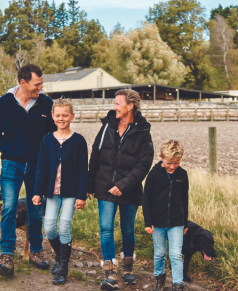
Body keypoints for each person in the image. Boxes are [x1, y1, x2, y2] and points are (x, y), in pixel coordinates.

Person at [0, 64, 57, 277]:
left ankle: (36, 251)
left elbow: (53, 137)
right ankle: (6, 255)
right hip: (11, 163)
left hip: (37, 165)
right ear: (23, 82)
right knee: (8, 207)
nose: (41, 87)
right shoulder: (4, 103)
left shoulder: (46, 104)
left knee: (35, 208)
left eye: (41, 83)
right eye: (37, 84)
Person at [87, 89, 153, 290]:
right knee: (106, 229)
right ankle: (109, 272)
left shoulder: (142, 131)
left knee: (127, 229)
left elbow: (144, 164)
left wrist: (123, 185)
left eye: (117, 104)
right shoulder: (107, 126)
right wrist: (90, 185)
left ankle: (128, 268)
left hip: (129, 190)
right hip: (104, 187)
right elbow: (96, 154)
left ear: (129, 106)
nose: (113, 107)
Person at [32, 98, 88, 285]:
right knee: (49, 227)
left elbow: (83, 169)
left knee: (64, 227)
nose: (61, 118)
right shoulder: (47, 140)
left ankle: (62, 267)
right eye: (58, 115)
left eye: (65, 115)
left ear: (72, 116)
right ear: (52, 116)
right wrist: (37, 192)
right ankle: (60, 256)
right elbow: (41, 168)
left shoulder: (79, 141)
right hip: (51, 193)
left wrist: (82, 195)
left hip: (71, 193)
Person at [143, 140, 189, 291]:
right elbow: (146, 199)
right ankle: (159, 279)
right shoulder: (154, 174)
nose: (172, 166)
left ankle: (178, 284)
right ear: (161, 156)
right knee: (160, 253)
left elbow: (184, 199)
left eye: (176, 163)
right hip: (157, 222)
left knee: (175, 254)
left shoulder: (182, 175)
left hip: (176, 222)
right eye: (169, 162)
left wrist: (185, 223)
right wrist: (148, 222)